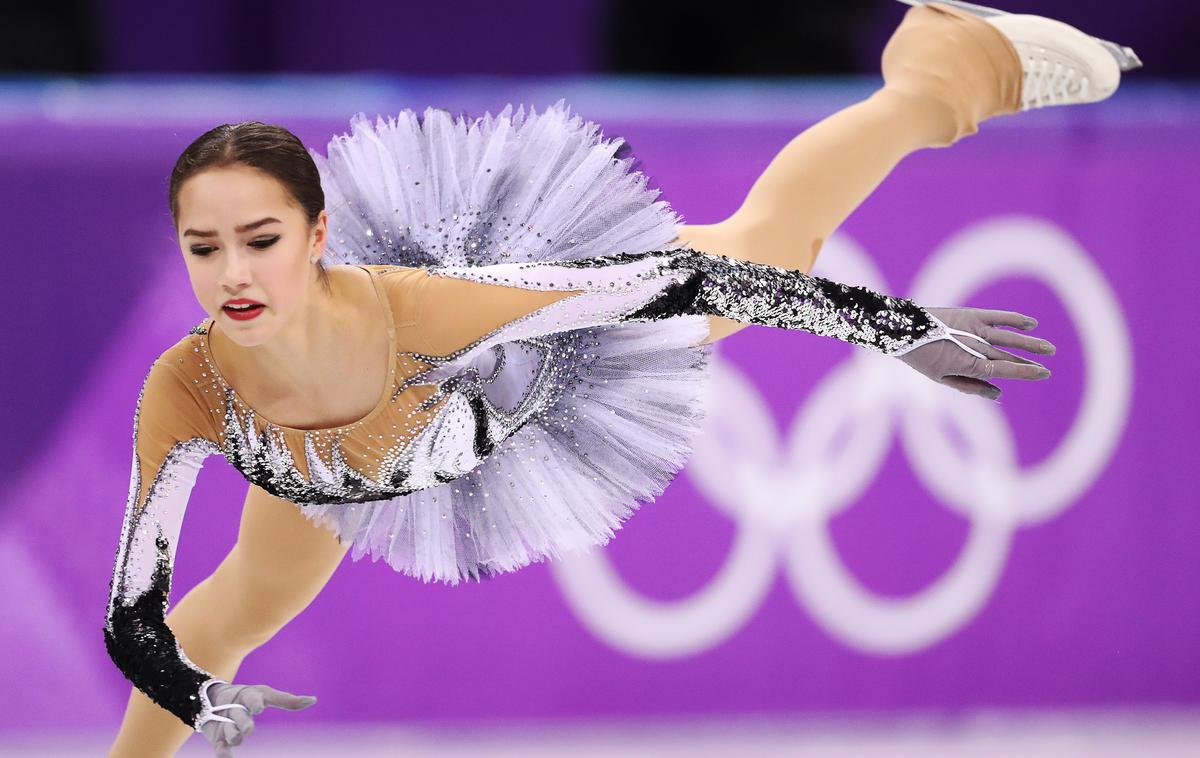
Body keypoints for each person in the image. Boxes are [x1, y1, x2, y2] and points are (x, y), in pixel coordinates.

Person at [103, 2, 1140, 755]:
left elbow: (677, 277)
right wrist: (188, 688)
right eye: (204, 248)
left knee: (767, 248)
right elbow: (136, 615)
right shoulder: (187, 385)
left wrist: (893, 325)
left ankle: (942, 73)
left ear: (317, 234)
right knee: (240, 606)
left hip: (520, 354)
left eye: (260, 239)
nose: (232, 274)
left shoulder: (426, 305)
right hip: (331, 460)